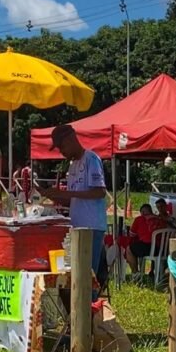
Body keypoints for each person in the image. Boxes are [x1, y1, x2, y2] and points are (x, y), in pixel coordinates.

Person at [41, 124, 107, 296]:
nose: (61, 152)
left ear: (71, 139)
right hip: (76, 227)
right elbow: (74, 200)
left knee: (86, 276)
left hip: (91, 227)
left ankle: (89, 317)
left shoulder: (91, 159)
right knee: (74, 276)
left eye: (62, 147)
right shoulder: (72, 166)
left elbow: (100, 192)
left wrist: (65, 193)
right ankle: (77, 317)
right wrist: (53, 196)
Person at [125, 204, 168, 279]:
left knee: (129, 249)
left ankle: (135, 273)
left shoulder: (139, 219)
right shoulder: (161, 219)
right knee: (138, 246)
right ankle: (156, 274)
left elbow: (132, 234)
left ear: (143, 212)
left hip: (148, 247)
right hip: (162, 249)